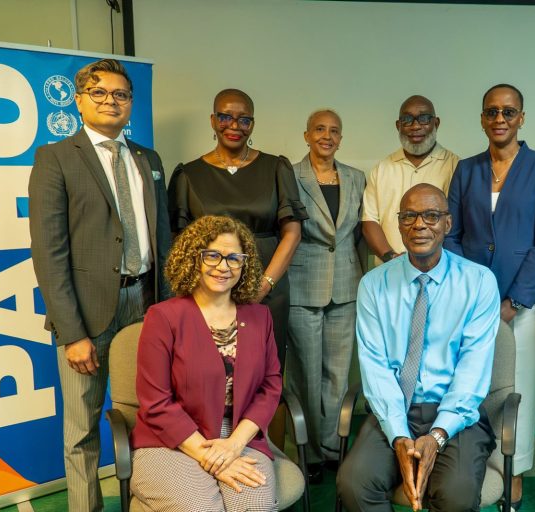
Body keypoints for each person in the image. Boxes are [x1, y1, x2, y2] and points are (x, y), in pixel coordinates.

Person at [28, 58, 170, 512]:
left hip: (147, 304)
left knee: (153, 414)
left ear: (131, 102)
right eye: (100, 92)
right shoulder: (55, 158)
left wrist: (170, 309)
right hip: (86, 315)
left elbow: (163, 236)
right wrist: (72, 334)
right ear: (79, 100)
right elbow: (49, 252)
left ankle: (151, 501)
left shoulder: (148, 159)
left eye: (121, 94)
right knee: (82, 429)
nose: (111, 101)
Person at [337, 184, 500, 512]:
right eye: (409, 216)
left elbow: (473, 370)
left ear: (447, 224)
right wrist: (399, 435)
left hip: (456, 414)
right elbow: (375, 366)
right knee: (354, 483)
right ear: (399, 225)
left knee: (456, 495)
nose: (419, 225)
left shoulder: (479, 282)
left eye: (431, 216)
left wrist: (438, 434)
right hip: (394, 408)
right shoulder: (374, 285)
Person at [444, 83, 535, 509]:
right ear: (482, 118)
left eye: (508, 112)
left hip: (525, 304)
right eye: (491, 111)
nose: (500, 119)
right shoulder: (466, 169)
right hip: (470, 303)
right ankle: (477, 467)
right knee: (473, 388)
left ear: (521, 118)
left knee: (518, 391)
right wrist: (473, 295)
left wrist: (513, 303)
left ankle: (514, 473)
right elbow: (451, 234)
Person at [130, 215, 281, 511]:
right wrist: (213, 458)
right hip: (172, 441)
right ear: (193, 258)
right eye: (212, 255)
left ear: (244, 264)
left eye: (234, 258)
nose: (223, 266)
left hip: (239, 435)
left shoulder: (259, 316)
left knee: (254, 507)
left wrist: (234, 445)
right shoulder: (163, 317)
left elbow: (270, 385)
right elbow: (156, 402)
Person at [168, 88, 308, 371]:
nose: (234, 126)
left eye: (244, 119)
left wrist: (264, 285)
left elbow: (292, 233)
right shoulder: (188, 175)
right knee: (211, 371)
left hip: (268, 287)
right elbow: (179, 242)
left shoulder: (276, 167)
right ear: (212, 120)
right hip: (210, 291)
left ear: (252, 124)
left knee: (265, 370)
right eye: (225, 117)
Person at [286, 109, 366, 482]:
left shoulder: (356, 177)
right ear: (306, 135)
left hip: (346, 286)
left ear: (341, 138)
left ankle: (335, 448)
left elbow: (358, 235)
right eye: (319, 129)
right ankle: (310, 452)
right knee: (305, 373)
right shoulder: (290, 175)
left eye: (334, 130)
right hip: (303, 285)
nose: (327, 136)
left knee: (337, 374)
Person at [362, 95, 458, 264]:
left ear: (436, 123)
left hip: (439, 272)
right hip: (389, 270)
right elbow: (369, 221)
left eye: (424, 118)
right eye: (407, 119)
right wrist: (391, 258)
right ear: (398, 125)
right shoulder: (381, 169)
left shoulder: (456, 167)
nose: (415, 126)